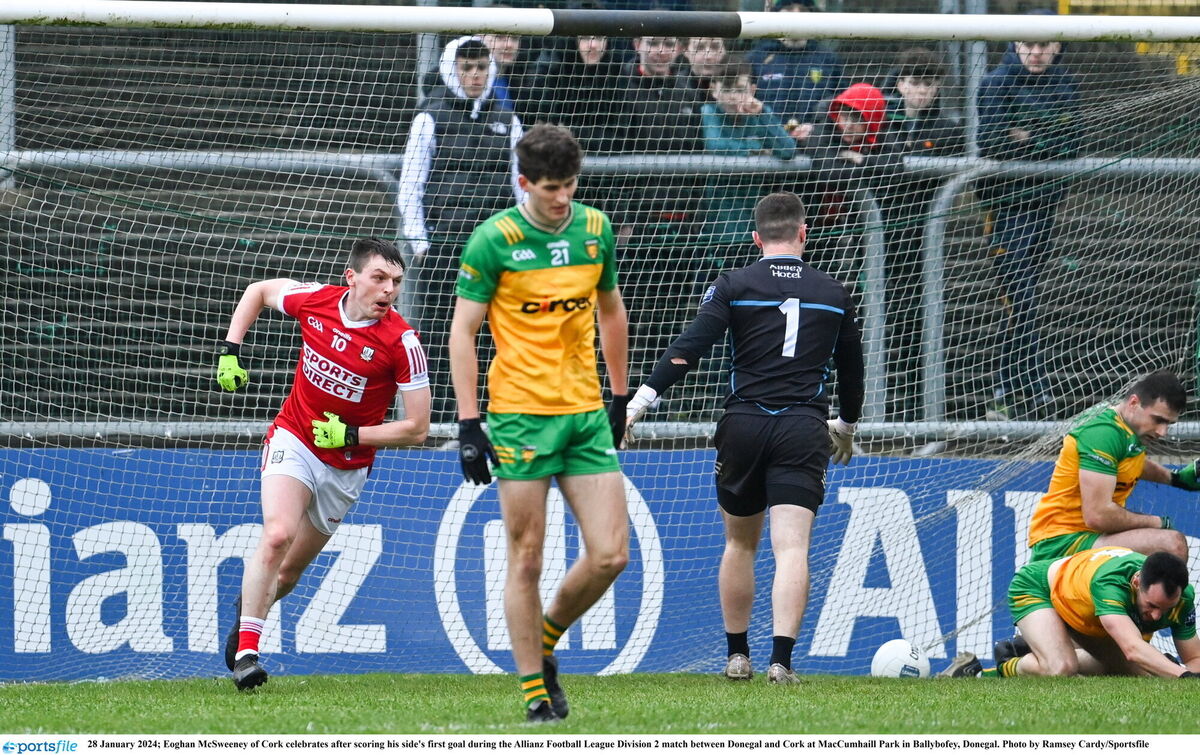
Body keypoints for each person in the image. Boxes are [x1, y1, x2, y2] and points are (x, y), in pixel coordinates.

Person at [624, 191, 864, 684]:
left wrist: (639, 402)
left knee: (740, 543)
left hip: (745, 424)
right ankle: (782, 661)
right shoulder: (834, 292)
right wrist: (845, 425)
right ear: (803, 234)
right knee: (792, 548)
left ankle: (737, 656)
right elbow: (852, 370)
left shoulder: (734, 283)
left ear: (756, 238)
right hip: (802, 427)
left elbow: (690, 346)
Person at [448, 124, 631, 722]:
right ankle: (535, 695)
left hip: (582, 414)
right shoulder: (492, 240)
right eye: (551, 188)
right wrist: (469, 424)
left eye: (570, 185)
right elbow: (463, 332)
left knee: (610, 556)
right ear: (524, 183)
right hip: (520, 416)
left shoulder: (595, 228)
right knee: (525, 558)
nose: (563, 198)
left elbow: (610, 310)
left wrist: (621, 394)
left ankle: (546, 639)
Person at [214, 237, 432, 691]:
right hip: (294, 435)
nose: (388, 290)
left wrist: (352, 435)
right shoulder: (316, 301)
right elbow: (257, 290)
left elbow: (417, 428)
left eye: (396, 281)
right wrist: (230, 350)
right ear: (351, 278)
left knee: (289, 571)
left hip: (346, 466)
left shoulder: (402, 342)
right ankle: (248, 655)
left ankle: (246, 614)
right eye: (378, 278)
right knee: (276, 535)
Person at [398, 36, 525, 425]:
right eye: (466, 67)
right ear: (451, 69)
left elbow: (520, 188)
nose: (474, 75)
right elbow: (411, 185)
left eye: (481, 67)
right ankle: (438, 423)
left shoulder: (508, 118)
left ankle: (491, 419)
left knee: (496, 337)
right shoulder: (429, 117)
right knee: (440, 335)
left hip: (497, 251)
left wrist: (521, 241)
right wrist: (422, 244)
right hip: (445, 250)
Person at [976, 29, 1080, 420]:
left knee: (1025, 302)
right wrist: (1045, 141)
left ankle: (1016, 391)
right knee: (1021, 301)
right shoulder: (996, 82)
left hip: (1044, 206)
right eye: (1029, 45)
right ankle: (1022, 389)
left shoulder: (1065, 84)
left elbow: (1073, 143)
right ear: (1016, 45)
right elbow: (992, 143)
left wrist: (1030, 138)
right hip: (1006, 210)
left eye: (1043, 45)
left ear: (1056, 46)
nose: (1036, 52)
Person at [942, 548, 1200, 679]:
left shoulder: (1183, 599)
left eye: (1165, 609)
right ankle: (994, 668)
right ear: (1135, 582)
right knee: (1061, 667)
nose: (1156, 617)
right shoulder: (1110, 584)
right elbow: (1133, 648)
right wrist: (1184, 676)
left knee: (1137, 672)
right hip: (1040, 590)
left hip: (1084, 612)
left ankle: (1039, 645)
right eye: (1151, 606)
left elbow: (1195, 657)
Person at [1025, 369, 1193, 565]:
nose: (1162, 432)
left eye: (1169, 424)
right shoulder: (1104, 433)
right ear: (1133, 403)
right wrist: (1156, 522)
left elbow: (1130, 462)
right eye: (1158, 420)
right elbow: (1098, 516)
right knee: (1172, 544)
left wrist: (1175, 478)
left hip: (1092, 538)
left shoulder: (1128, 426)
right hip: (1064, 542)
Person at [878, 48, 963, 420]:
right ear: (899, 84)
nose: (921, 91)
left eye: (928, 83)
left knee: (916, 323)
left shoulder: (947, 128)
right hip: (876, 237)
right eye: (914, 82)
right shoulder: (881, 123)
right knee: (874, 320)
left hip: (922, 241)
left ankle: (913, 408)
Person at [700, 60, 796, 249]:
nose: (733, 97)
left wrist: (762, 113)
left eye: (740, 90)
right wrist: (751, 149)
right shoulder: (709, 111)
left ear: (752, 90)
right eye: (727, 89)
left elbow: (787, 149)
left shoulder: (760, 114)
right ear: (714, 90)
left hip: (761, 218)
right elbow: (715, 144)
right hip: (721, 218)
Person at [746, 0, 843, 144]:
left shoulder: (828, 59)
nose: (796, 14)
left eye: (803, 9)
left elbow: (841, 106)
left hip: (814, 150)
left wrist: (816, 129)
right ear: (776, 13)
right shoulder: (756, 57)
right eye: (789, 8)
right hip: (765, 147)